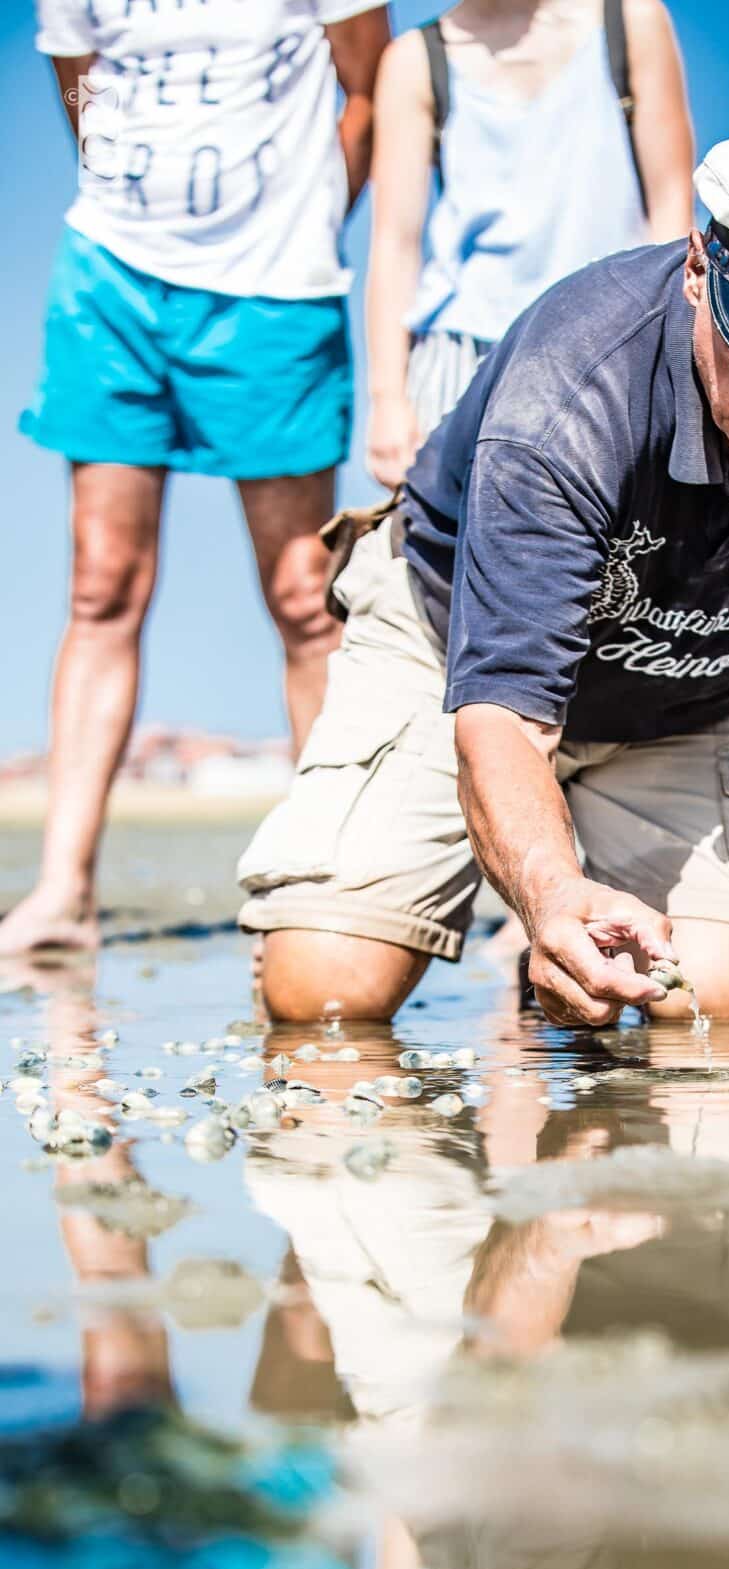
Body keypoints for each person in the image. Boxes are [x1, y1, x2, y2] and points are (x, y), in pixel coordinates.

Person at [237, 133, 729, 1027]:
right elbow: (505, 716)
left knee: (716, 999)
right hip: (453, 653)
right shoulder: (568, 390)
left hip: (713, 683)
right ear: (700, 267)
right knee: (324, 992)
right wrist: (549, 894)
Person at [5, 0, 391, 959]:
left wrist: (300, 225)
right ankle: (64, 891)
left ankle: (323, 882)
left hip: (275, 293)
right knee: (101, 586)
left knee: (305, 597)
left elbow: (368, 86)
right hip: (111, 279)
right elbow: (81, 86)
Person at [365, 0, 694, 494]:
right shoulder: (414, 60)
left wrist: (672, 364)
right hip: (462, 359)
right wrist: (388, 401)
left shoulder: (629, 20)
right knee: (443, 558)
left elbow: (671, 205)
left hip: (613, 349)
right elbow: (394, 243)